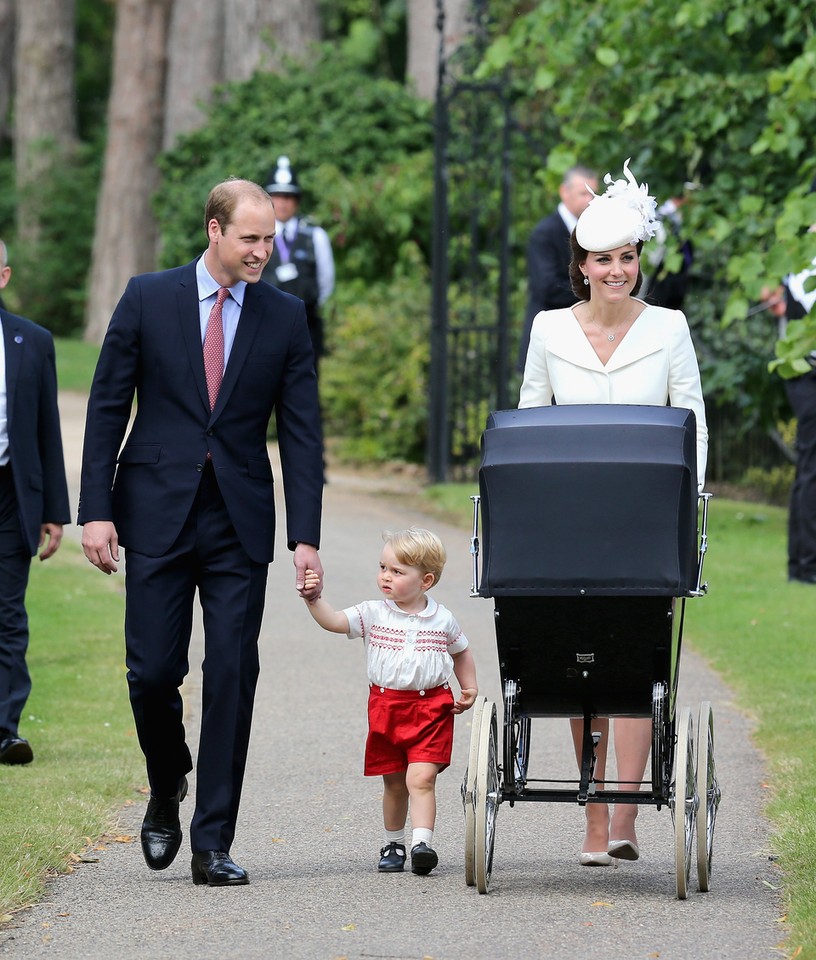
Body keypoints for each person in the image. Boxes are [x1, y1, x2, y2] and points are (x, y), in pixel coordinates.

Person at [79, 178, 325, 887]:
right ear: (214, 231)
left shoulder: (284, 316)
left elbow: (304, 433)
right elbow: (105, 408)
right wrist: (96, 509)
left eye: (269, 239)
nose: (262, 251)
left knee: (233, 674)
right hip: (154, 509)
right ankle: (167, 781)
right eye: (250, 238)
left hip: (238, 519)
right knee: (153, 673)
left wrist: (304, 534)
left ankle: (212, 841)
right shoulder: (147, 298)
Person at [519, 159, 708, 866]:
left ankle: (620, 817)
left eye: (627, 258)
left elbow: (691, 420)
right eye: (603, 259)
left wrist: (691, 506)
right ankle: (594, 821)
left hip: (644, 518)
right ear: (583, 264)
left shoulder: (669, 327)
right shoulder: (548, 331)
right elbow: (529, 422)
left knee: (634, 662)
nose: (618, 270)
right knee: (579, 670)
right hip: (566, 523)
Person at [301, 527, 478, 876]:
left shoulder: (442, 619)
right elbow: (335, 622)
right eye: (383, 567)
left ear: (425, 580)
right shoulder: (373, 613)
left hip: (431, 708)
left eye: (397, 572)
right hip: (386, 708)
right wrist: (314, 600)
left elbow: (461, 651)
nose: (386, 576)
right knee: (394, 781)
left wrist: (468, 687)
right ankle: (393, 842)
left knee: (421, 778)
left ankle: (421, 844)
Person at [0, 238, 71, 765]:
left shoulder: (32, 340)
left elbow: (47, 428)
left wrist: (54, 509)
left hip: (10, 494)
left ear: (3, 277)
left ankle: (5, 730)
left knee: (7, 614)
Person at [517, 164, 598, 371]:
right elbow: (548, 288)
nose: (589, 201)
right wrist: (596, 290)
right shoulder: (544, 233)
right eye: (583, 193)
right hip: (550, 341)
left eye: (593, 194)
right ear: (564, 192)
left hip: (584, 342)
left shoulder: (594, 231)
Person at [262, 156, 335, 373]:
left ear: (297, 200)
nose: (282, 203)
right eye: (277, 196)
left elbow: (326, 281)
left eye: (289, 196)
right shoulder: (256, 235)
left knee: (304, 391)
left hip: (306, 325)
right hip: (265, 323)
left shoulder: (314, 235)